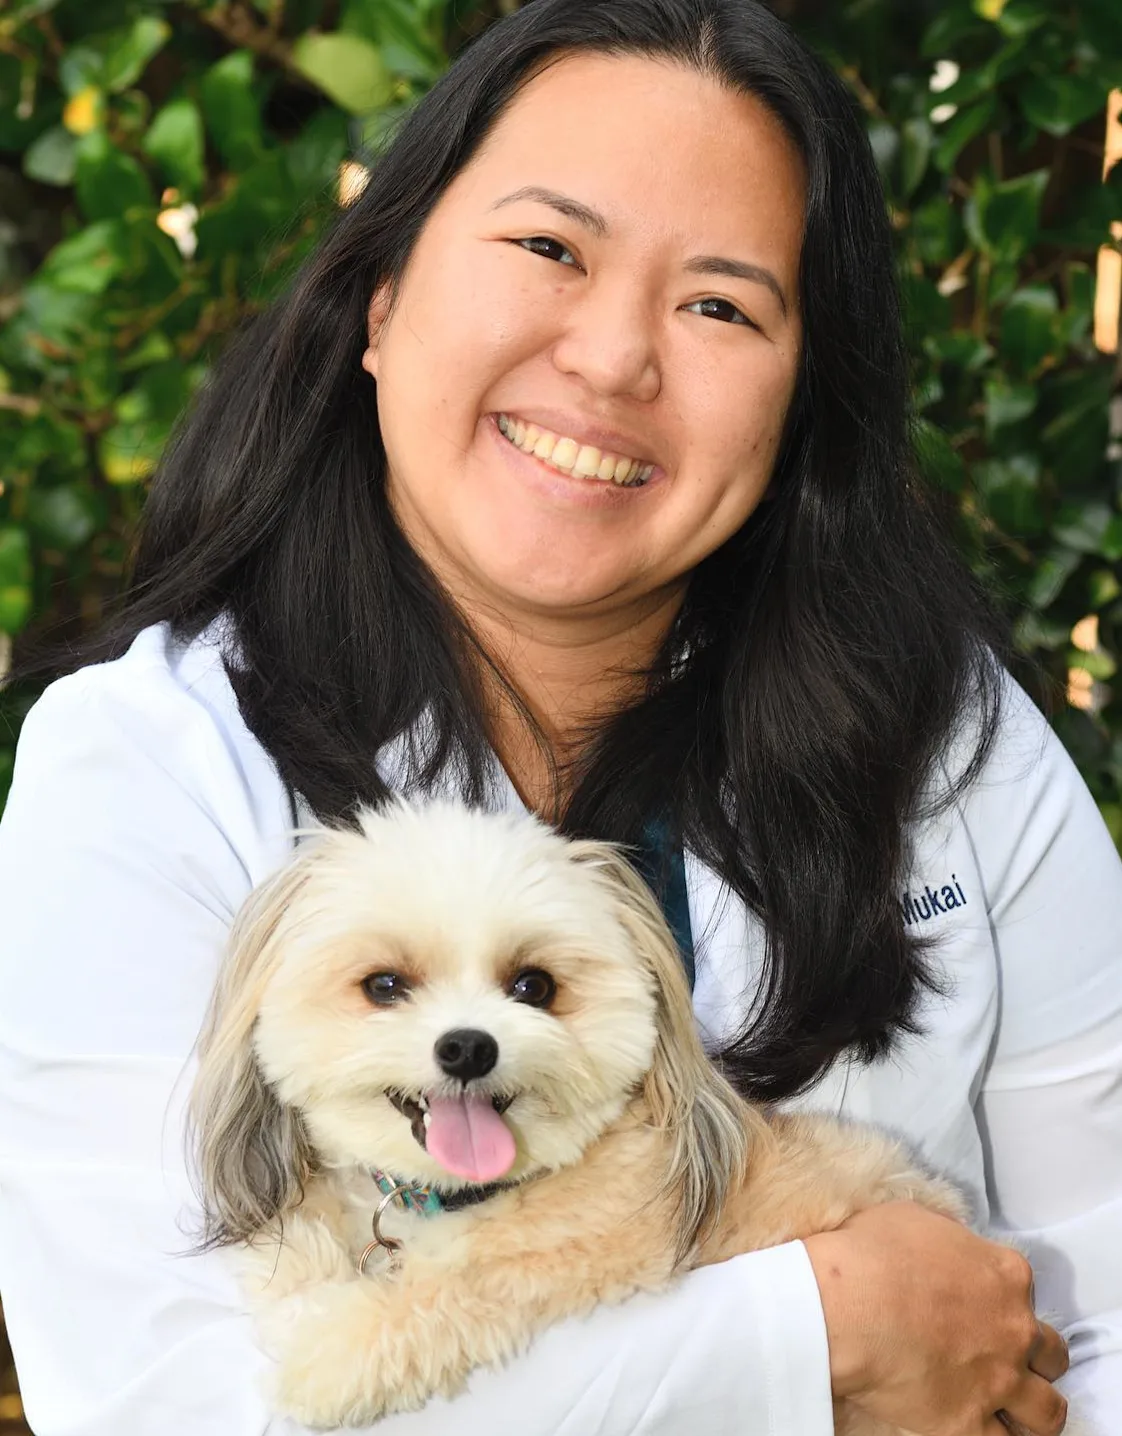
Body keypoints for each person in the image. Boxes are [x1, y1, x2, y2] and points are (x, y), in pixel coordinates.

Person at [0, 0, 1118, 1432]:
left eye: (718, 304)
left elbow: (1107, 1299)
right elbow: (181, 1406)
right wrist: (812, 1333)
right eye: (548, 249)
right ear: (382, 299)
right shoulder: (142, 767)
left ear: (794, 410)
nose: (611, 360)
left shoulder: (942, 741)